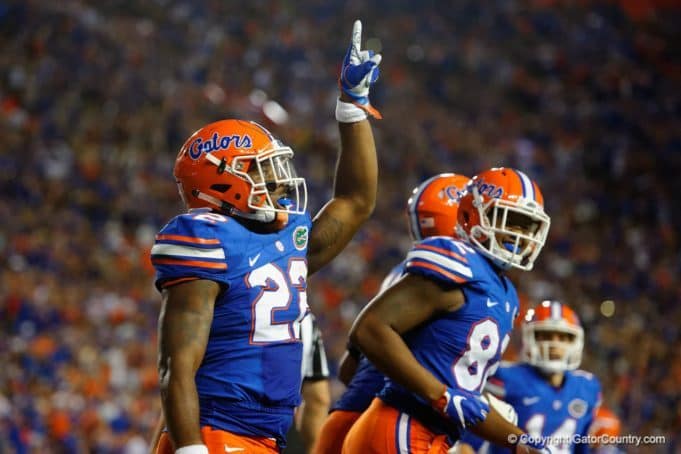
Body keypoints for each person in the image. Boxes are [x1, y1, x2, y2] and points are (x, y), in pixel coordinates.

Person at [151, 19, 382, 454]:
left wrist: (353, 108)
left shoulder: (285, 237)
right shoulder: (204, 238)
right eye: (261, 169)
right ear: (219, 181)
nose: (278, 182)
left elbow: (356, 201)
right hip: (218, 433)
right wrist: (189, 447)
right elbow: (176, 365)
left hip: (263, 437)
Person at [344, 167, 553, 453]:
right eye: (511, 220)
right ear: (471, 214)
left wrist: (520, 440)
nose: (518, 234)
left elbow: (465, 402)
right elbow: (369, 329)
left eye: (527, 226)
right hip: (402, 424)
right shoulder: (458, 261)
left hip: (430, 435)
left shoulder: (506, 294)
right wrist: (440, 395)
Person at [314, 172, 471, 454]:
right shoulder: (446, 279)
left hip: (349, 416)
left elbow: (351, 368)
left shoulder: (406, 273)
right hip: (391, 425)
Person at [457, 301, 602, 454]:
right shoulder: (505, 377)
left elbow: (582, 448)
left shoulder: (587, 387)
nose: (554, 344)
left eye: (563, 337)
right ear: (529, 338)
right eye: (545, 336)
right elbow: (468, 445)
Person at [295, 313, 331, 453]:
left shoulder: (230, 305)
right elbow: (318, 399)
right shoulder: (305, 318)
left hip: (228, 427)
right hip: (279, 433)